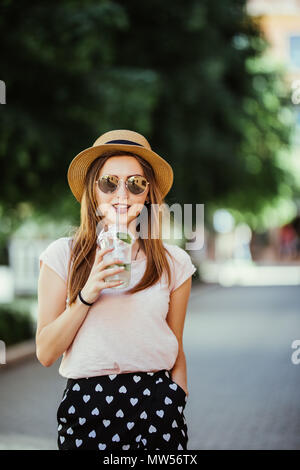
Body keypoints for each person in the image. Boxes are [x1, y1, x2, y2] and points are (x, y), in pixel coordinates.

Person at [36, 129, 197, 451]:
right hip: (88, 404)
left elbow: (175, 343)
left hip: (157, 402)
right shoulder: (63, 256)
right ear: (93, 191)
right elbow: (45, 353)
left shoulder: (174, 262)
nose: (122, 193)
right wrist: (86, 294)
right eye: (109, 182)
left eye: (135, 183)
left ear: (148, 194)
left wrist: (176, 395)